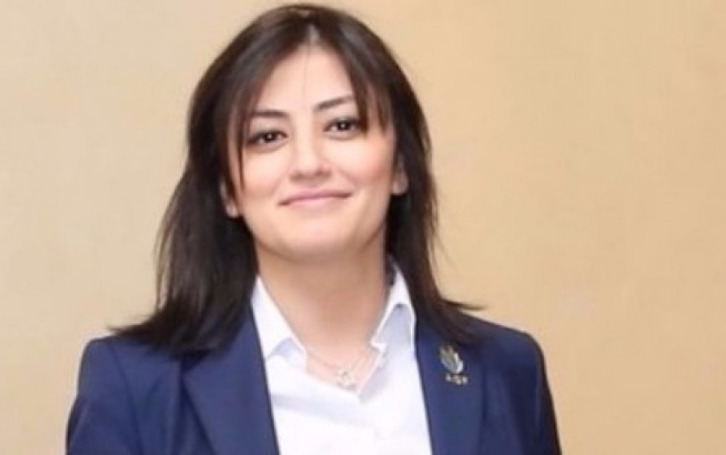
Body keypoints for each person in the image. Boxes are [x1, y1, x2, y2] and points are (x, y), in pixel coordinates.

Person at [67, 3, 561, 454]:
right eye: (268, 136)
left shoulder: (508, 371)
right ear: (227, 189)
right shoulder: (135, 387)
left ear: (400, 165)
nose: (308, 163)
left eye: (342, 125)